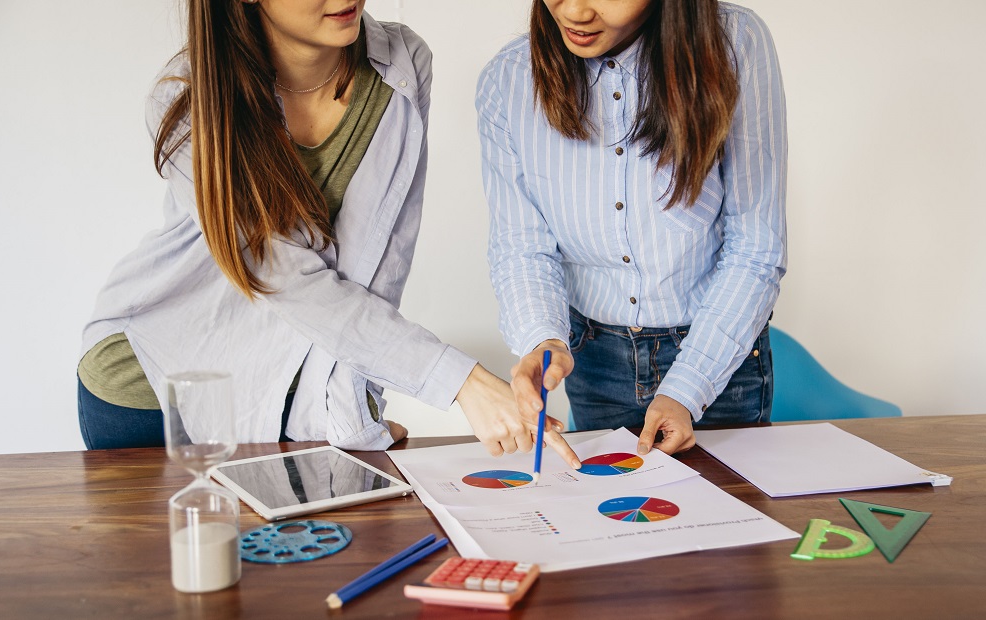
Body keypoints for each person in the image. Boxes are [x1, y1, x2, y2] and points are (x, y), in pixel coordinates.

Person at [77, 0, 579, 468]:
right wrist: (464, 383)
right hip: (152, 393)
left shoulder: (402, 66)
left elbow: (382, 265)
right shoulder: (190, 98)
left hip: (286, 406)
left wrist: (354, 414)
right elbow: (287, 281)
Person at [476, 1, 787, 456]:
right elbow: (522, 245)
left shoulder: (734, 43)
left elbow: (756, 246)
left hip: (716, 354)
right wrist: (541, 340)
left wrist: (687, 387)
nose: (576, 12)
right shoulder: (506, 80)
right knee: (616, 516)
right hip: (595, 357)